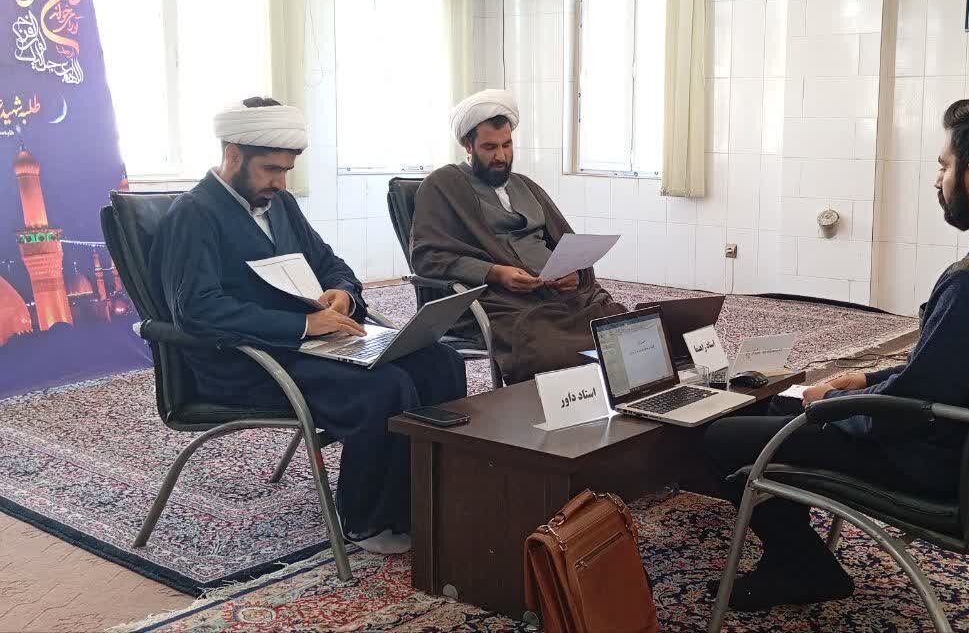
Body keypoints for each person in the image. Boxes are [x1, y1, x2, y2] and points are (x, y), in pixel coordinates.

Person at [703, 93, 969, 611]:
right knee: (772, 407)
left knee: (721, 438)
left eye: (943, 166)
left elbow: (910, 407)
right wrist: (867, 381)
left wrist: (832, 407)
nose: (936, 180)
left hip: (928, 460)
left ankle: (803, 567)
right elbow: (955, 369)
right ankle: (793, 555)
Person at [149, 97, 466, 555]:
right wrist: (301, 325)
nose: (281, 182)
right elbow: (198, 311)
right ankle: (368, 518)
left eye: (286, 171)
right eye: (271, 170)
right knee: (384, 388)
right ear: (233, 154)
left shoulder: (280, 205)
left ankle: (426, 498)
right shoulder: (193, 214)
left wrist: (342, 294)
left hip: (306, 347)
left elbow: (329, 263)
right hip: (245, 362)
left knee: (439, 361)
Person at [410, 89, 625, 384]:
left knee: (620, 327)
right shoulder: (442, 186)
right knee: (551, 350)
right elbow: (426, 257)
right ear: (467, 145)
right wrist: (496, 273)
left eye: (507, 145)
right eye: (489, 147)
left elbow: (567, 242)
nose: (501, 156)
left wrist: (574, 273)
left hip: (559, 294)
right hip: (502, 300)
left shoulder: (525, 185)